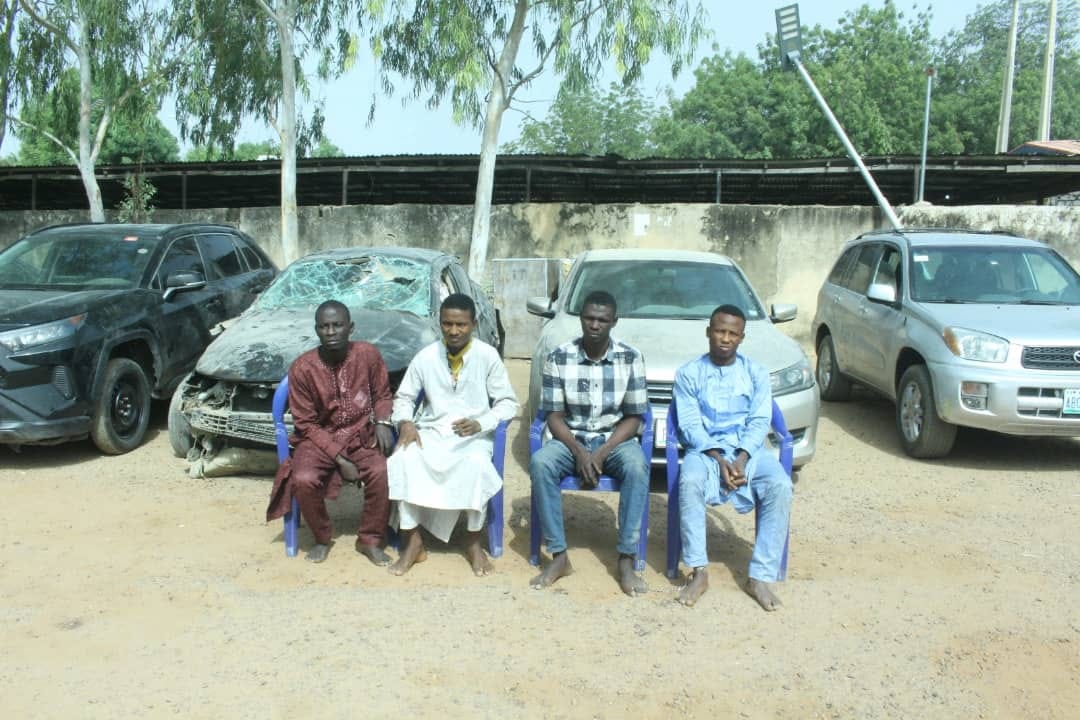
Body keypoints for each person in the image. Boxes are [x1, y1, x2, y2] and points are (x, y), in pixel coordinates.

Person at [386, 293, 519, 577]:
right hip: (432, 433)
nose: (454, 331)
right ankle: (413, 541)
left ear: (473, 323)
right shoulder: (426, 356)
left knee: (476, 465)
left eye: (461, 325)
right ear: (440, 323)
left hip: (471, 438)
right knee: (404, 458)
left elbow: (508, 403)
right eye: (447, 324)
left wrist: (482, 422)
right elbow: (404, 397)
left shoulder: (487, 355)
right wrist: (406, 423)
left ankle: (472, 541)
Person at [529, 290, 650, 596]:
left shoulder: (630, 358)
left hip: (615, 440)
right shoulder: (559, 357)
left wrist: (601, 452)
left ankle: (625, 558)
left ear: (613, 322)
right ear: (581, 319)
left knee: (637, 467)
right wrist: (581, 451)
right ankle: (559, 556)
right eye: (589, 318)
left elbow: (634, 417)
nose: (594, 325)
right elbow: (553, 416)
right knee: (541, 463)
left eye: (602, 320)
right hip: (571, 438)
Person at [673, 304, 793, 611]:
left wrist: (739, 460)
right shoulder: (689, 374)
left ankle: (759, 577)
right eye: (719, 331)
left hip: (748, 452)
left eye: (732, 333)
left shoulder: (755, 373)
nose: (725, 338)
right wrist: (718, 459)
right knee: (690, 480)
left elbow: (759, 421)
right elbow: (689, 424)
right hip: (706, 451)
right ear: (708, 333)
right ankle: (699, 571)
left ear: (741, 338)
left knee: (780, 484)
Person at [266, 300, 395, 565]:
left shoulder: (368, 354)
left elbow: (382, 394)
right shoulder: (302, 368)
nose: (331, 331)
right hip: (319, 438)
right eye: (324, 326)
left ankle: (369, 539)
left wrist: (383, 422)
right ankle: (322, 537)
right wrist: (341, 459)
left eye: (337, 325)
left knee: (381, 471)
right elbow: (306, 424)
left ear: (350, 327)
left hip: (361, 433)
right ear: (317, 330)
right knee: (302, 478)